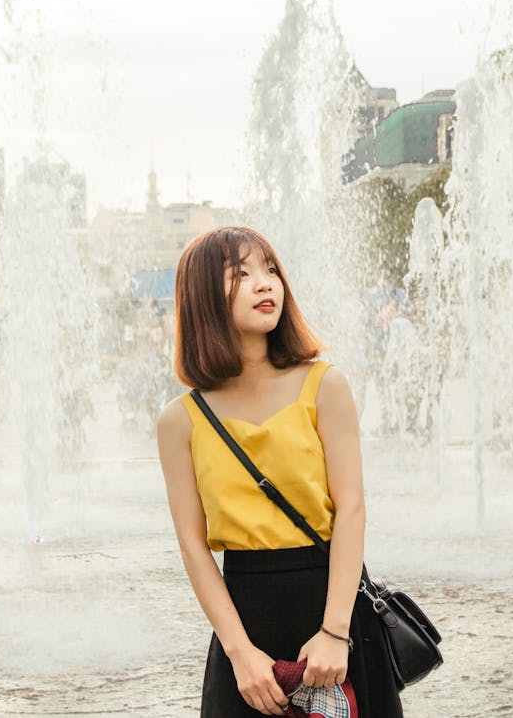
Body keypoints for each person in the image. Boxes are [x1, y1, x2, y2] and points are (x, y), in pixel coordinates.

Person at [155, 226, 402, 717]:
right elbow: (192, 544)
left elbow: (351, 510)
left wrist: (335, 632)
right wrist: (240, 653)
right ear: (203, 296)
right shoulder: (180, 420)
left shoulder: (324, 385)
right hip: (246, 623)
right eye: (241, 274)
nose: (264, 283)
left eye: (270, 270)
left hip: (332, 604)